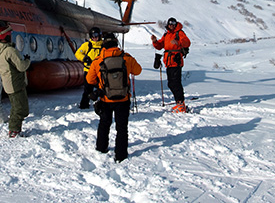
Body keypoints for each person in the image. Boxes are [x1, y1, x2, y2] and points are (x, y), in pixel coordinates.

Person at [86, 34, 142, 162]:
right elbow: (138, 71)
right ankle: (121, 155)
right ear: (116, 43)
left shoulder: (98, 61)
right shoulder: (126, 58)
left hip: (106, 100)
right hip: (123, 99)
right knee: (122, 127)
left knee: (104, 124)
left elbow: (90, 79)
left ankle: (101, 148)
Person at [0, 25, 30, 138]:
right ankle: (14, 130)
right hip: (16, 83)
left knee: (16, 107)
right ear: (7, 36)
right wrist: (27, 60)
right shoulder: (10, 50)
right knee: (20, 109)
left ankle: (14, 129)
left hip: (8, 83)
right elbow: (22, 67)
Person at [151, 17, 192, 113]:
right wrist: (155, 41)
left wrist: (178, 42)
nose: (171, 26)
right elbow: (160, 46)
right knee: (171, 83)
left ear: (176, 24)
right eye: (170, 24)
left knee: (176, 83)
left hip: (176, 61)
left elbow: (187, 42)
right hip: (168, 62)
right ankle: (179, 103)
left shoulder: (179, 33)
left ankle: (181, 104)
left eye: (173, 24)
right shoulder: (167, 34)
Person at [73, 27, 105, 109]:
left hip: (101, 71)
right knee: (87, 89)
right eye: (93, 36)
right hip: (89, 70)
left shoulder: (103, 46)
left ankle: (103, 104)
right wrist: (84, 58)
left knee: (102, 88)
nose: (94, 38)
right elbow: (78, 53)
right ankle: (84, 105)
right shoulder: (87, 45)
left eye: (96, 35)